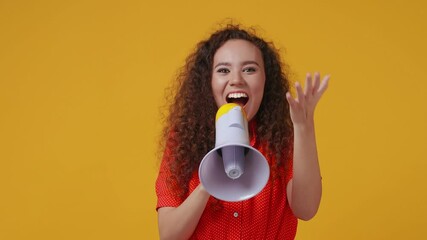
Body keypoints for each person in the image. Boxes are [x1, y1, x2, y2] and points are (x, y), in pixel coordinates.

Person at [155, 24, 329, 240]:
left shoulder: (281, 140)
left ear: (266, 80)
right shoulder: (183, 141)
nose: (236, 79)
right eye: (223, 70)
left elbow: (306, 209)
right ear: (208, 82)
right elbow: (169, 235)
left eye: (249, 69)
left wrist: (304, 128)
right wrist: (210, 181)